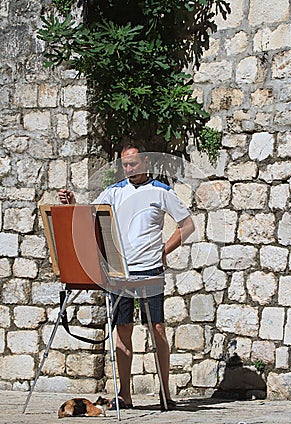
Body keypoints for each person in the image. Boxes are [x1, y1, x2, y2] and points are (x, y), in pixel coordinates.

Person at [59, 143, 195, 410]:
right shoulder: (114, 192)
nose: (130, 169)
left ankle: (165, 393)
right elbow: (89, 216)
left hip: (150, 270)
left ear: (145, 162)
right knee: (123, 330)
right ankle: (125, 394)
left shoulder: (160, 191)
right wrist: (72, 203)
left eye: (133, 164)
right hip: (119, 271)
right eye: (125, 165)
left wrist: (164, 251)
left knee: (156, 328)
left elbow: (187, 225)